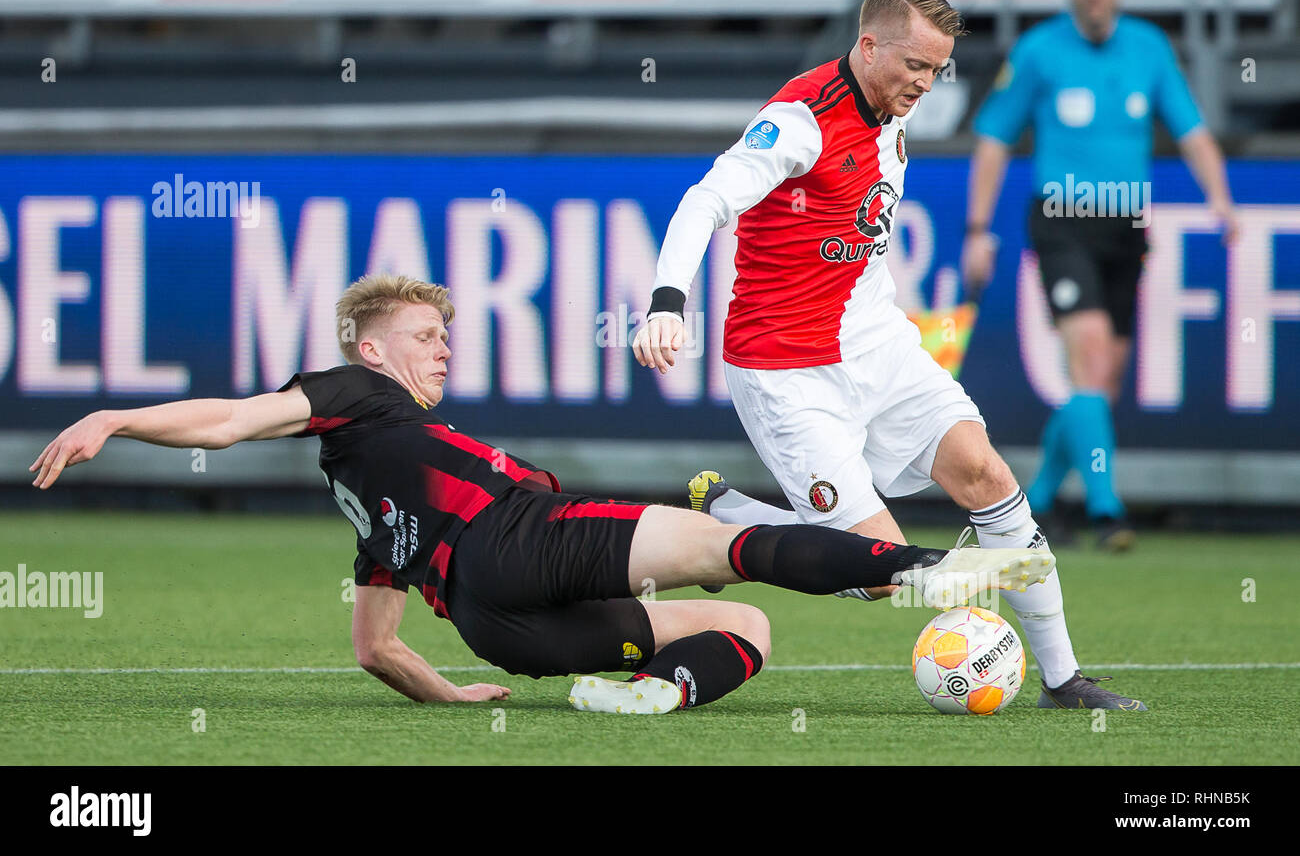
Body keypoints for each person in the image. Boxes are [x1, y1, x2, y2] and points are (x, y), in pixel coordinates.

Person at [28, 273, 1053, 714]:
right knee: (717, 544)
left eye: (444, 334)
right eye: (425, 336)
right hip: (520, 536)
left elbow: (375, 644)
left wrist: (456, 690)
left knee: (740, 623)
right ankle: (940, 566)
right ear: (368, 346)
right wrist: (116, 417)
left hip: (495, 626)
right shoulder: (351, 390)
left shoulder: (367, 488)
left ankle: (656, 692)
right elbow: (228, 418)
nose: (441, 349)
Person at [633, 0, 1144, 710]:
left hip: (877, 345)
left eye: (937, 71)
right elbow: (704, 200)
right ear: (868, 45)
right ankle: (737, 521)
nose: (925, 84)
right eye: (915, 66)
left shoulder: (891, 114)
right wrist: (666, 303)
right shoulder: (800, 120)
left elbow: (854, 241)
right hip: (788, 373)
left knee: (988, 475)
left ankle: (1064, 680)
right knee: (878, 573)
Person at [962, 0, 1238, 551]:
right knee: (1087, 359)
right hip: (1062, 220)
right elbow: (993, 140)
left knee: (1102, 385)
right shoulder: (1037, 51)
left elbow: (1192, 131)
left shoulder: (1149, 48)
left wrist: (1220, 198)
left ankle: (1033, 501)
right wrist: (977, 229)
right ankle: (1106, 510)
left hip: (1126, 227)